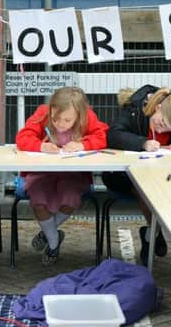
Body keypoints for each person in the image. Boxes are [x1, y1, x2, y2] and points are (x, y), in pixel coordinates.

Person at [102, 85, 171, 266]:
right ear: (158, 107)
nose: (162, 131)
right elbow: (113, 135)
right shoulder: (134, 110)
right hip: (126, 175)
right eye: (161, 123)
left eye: (169, 129)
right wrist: (141, 143)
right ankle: (156, 233)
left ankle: (153, 234)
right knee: (146, 188)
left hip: (165, 173)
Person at [15, 86, 108, 265]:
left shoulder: (88, 118)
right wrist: (41, 146)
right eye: (55, 118)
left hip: (73, 174)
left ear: (79, 115)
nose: (59, 124)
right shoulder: (42, 114)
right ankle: (54, 242)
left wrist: (83, 145)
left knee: (71, 199)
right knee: (38, 198)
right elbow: (23, 137)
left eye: (67, 120)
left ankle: (48, 233)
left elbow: (102, 136)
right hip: (42, 172)